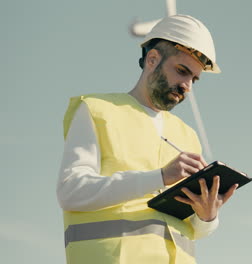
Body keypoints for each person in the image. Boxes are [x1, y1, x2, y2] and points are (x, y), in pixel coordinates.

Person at [56, 15, 237, 264]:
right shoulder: (97, 111)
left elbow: (195, 230)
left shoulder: (187, 136)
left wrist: (207, 216)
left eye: (193, 79)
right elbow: (71, 192)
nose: (187, 86)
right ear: (152, 59)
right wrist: (159, 177)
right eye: (182, 71)